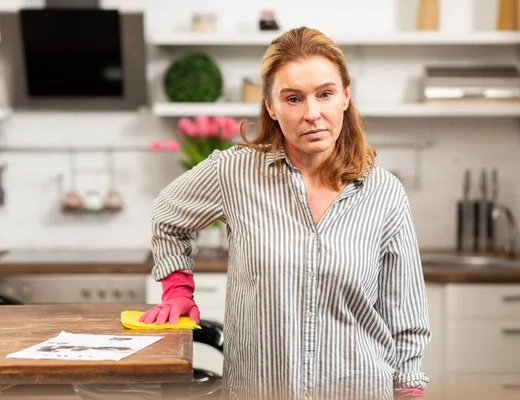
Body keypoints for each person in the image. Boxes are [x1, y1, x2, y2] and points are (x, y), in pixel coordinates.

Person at [140, 26, 431, 400]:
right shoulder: (234, 174)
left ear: (345, 96)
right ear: (271, 108)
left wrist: (408, 391)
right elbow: (167, 216)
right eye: (293, 99)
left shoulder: (384, 193)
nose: (312, 113)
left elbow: (405, 316)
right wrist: (177, 290)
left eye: (325, 94)